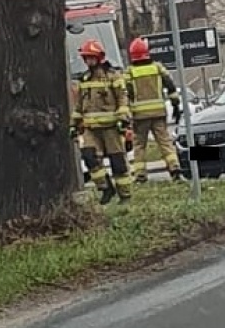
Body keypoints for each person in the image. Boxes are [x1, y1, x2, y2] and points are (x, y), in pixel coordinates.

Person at [71, 40, 133, 203]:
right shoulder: (84, 79)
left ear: (99, 58)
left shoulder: (113, 76)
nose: (88, 61)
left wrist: (123, 119)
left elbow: (122, 98)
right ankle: (105, 188)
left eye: (91, 58)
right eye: (86, 58)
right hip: (91, 129)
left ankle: (125, 195)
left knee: (118, 162)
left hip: (111, 127)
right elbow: (79, 105)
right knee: (89, 156)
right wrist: (74, 124)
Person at [125, 37, 184, 184]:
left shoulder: (129, 73)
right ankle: (175, 169)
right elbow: (171, 86)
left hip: (139, 116)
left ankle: (140, 175)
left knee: (139, 146)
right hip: (159, 113)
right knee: (165, 143)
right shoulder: (158, 68)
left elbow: (125, 94)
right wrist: (176, 105)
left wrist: (126, 114)